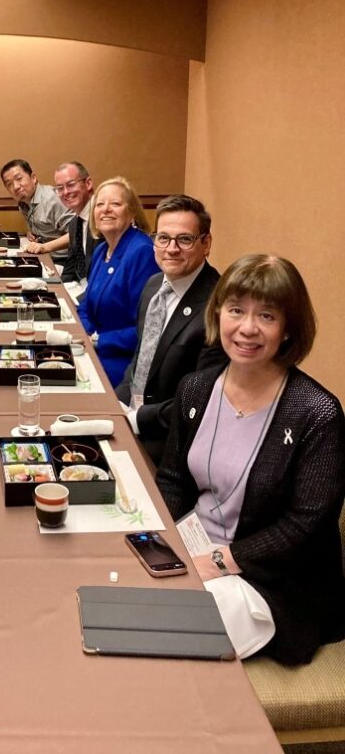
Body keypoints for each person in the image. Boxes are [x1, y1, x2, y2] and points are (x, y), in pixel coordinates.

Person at [156, 255, 345, 664]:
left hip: (269, 580)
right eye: (236, 309)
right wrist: (161, 541)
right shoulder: (195, 388)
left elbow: (305, 526)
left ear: (289, 328)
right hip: (193, 547)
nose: (247, 328)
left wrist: (220, 561)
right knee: (122, 598)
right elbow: (172, 479)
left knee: (167, 639)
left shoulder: (317, 413)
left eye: (267, 315)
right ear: (218, 312)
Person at [117, 194, 226, 464]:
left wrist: (135, 420)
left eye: (185, 239)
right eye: (163, 238)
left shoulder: (219, 307)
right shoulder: (154, 285)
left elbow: (202, 401)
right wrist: (115, 403)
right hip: (131, 417)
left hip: (174, 444)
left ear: (206, 243)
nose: (171, 248)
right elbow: (140, 359)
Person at [77, 177, 158, 387]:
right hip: (92, 348)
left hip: (122, 361)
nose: (106, 210)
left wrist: (97, 341)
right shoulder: (102, 250)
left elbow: (147, 327)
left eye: (115, 204)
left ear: (131, 212)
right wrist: (84, 334)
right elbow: (85, 305)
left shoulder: (141, 252)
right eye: (100, 204)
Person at [0, 159, 73, 257]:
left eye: (19, 179)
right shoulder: (23, 203)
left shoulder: (51, 199)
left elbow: (77, 234)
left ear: (33, 178)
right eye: (9, 184)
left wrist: (45, 247)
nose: (16, 186)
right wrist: (32, 232)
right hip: (44, 257)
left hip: (64, 260)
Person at [52, 161, 96, 291]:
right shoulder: (74, 223)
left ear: (88, 183)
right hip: (78, 289)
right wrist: (59, 293)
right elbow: (70, 270)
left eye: (71, 185)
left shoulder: (102, 219)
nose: (65, 192)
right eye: (60, 188)